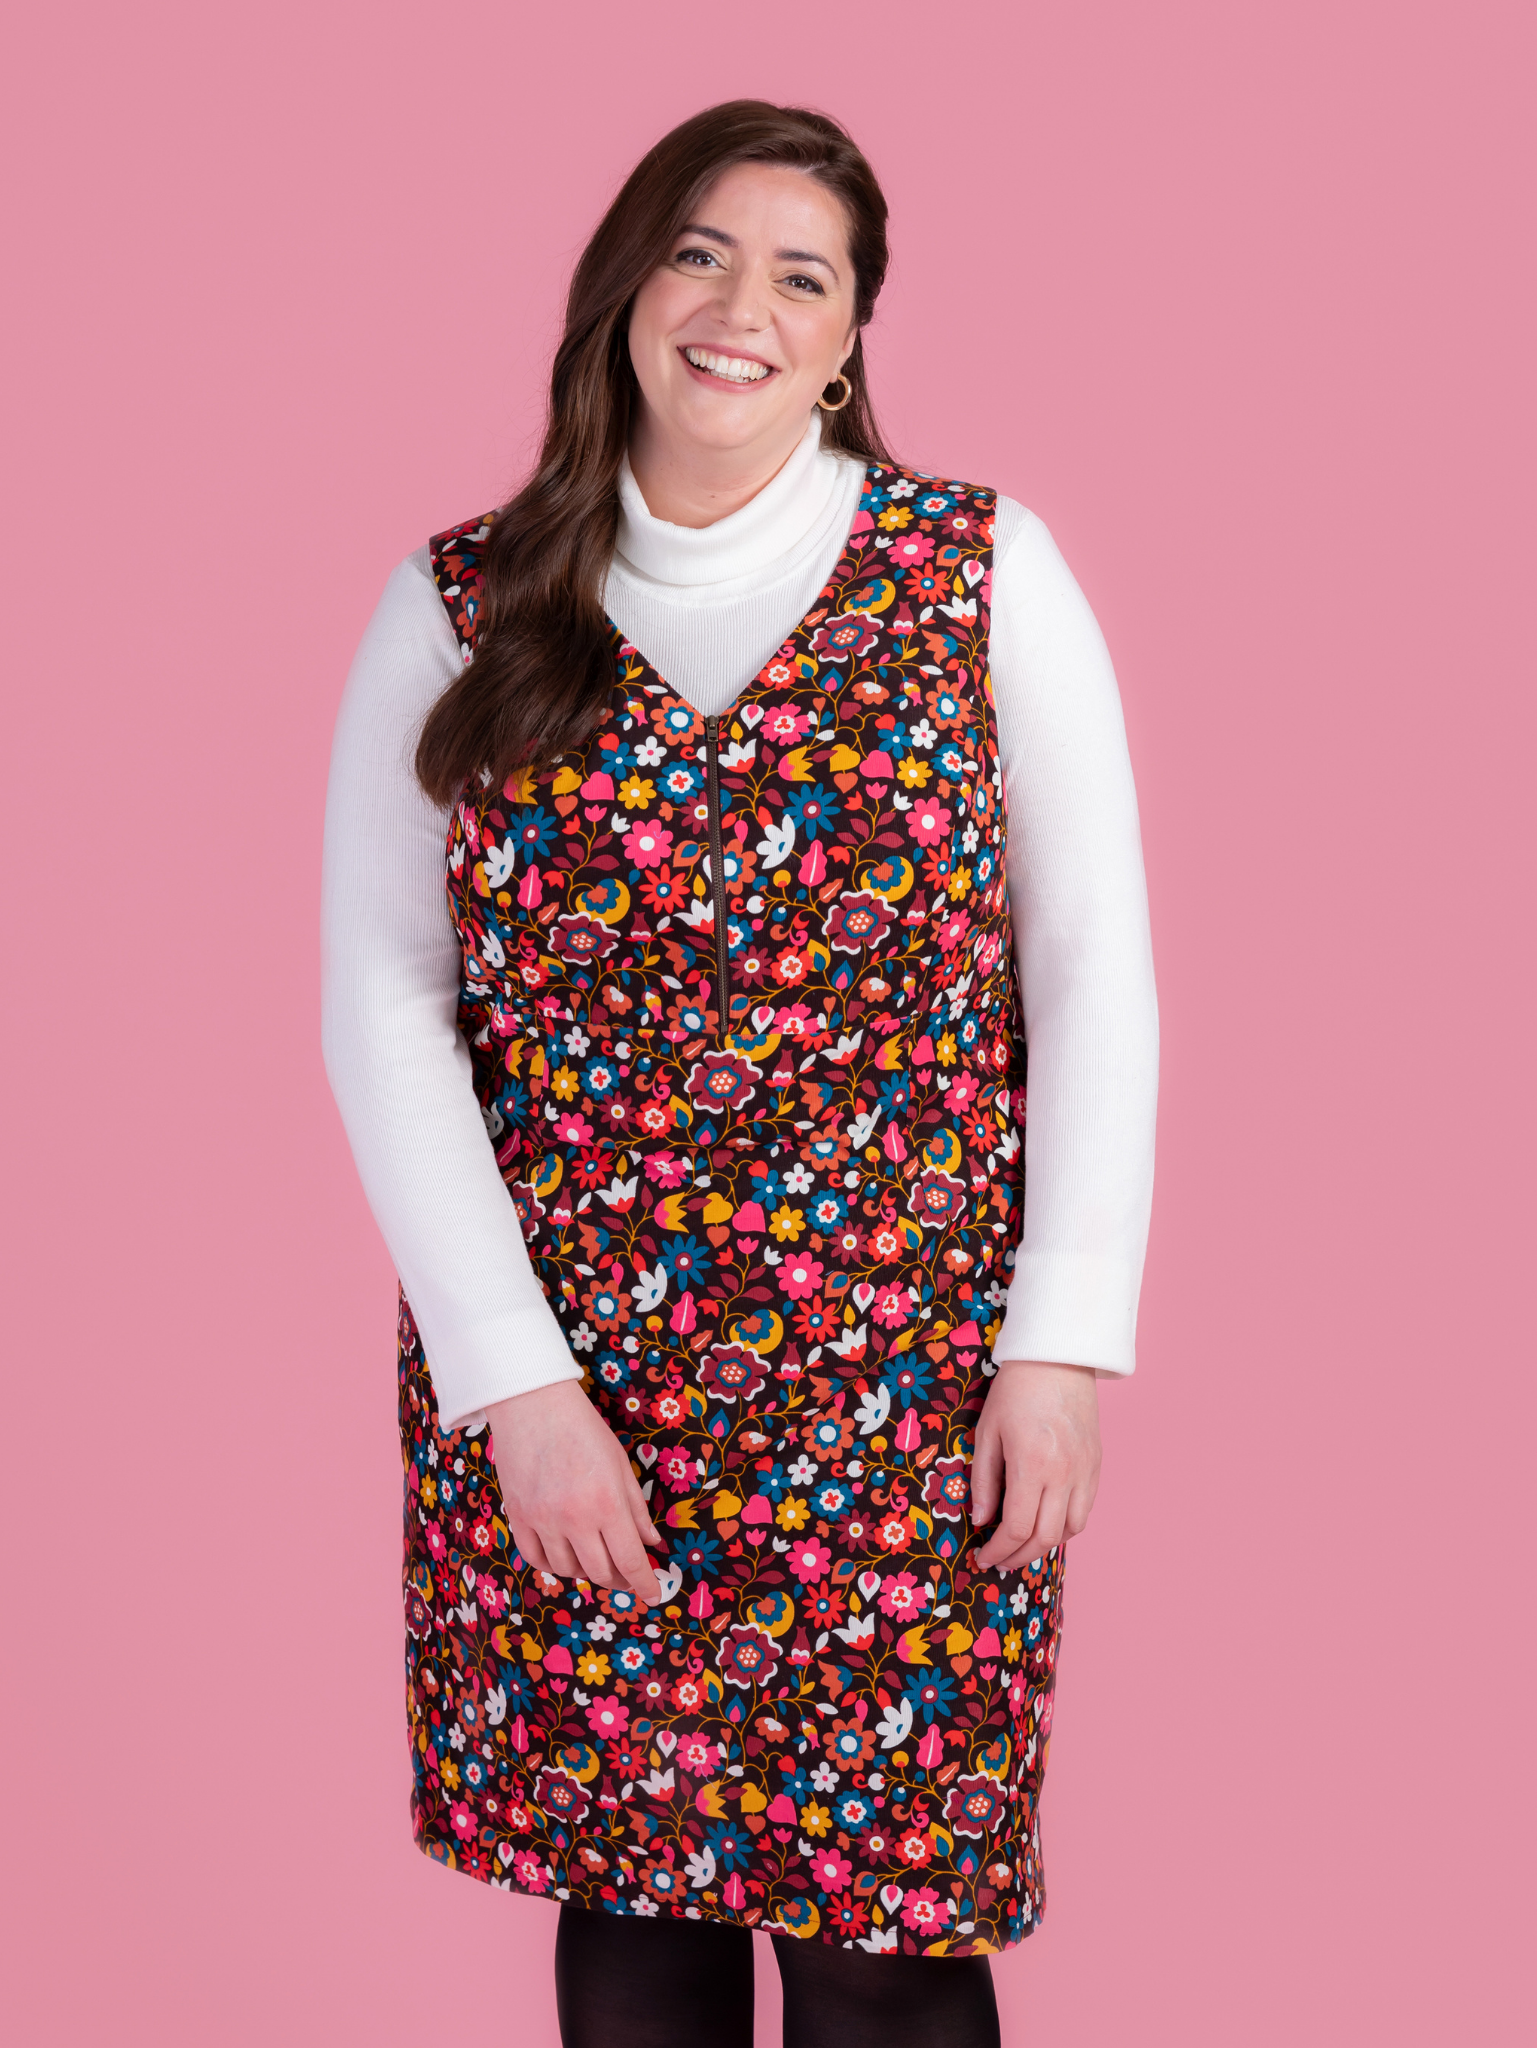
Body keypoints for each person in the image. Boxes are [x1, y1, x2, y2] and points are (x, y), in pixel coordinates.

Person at [323, 99, 1157, 2048]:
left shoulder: (975, 574)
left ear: (853, 334)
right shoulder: (462, 607)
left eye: (802, 275)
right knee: (632, 1923)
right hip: (574, 1395)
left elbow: (1090, 970)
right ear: (625, 287)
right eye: (700, 255)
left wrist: (1063, 1341)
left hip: (903, 1390)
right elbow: (384, 1004)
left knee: (891, 1949)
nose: (741, 310)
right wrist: (516, 1389)